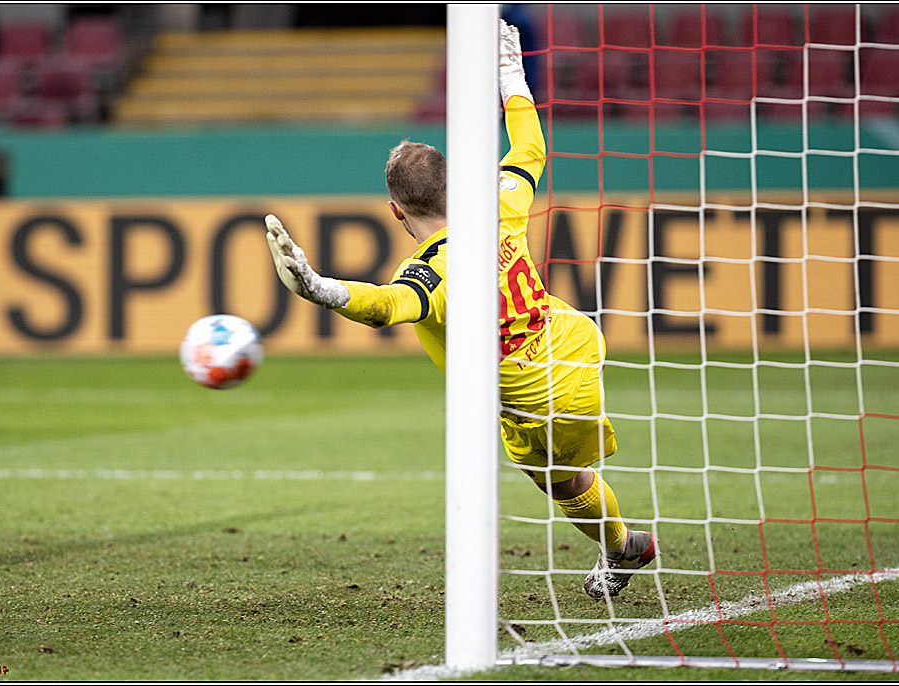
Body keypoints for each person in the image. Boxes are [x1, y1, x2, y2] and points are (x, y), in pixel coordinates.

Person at [263, 19, 656, 599]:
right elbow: (529, 147)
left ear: (396, 211)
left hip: (534, 388)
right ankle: (625, 548)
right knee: (550, 476)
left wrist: (317, 286)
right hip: (568, 341)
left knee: (559, 478)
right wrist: (511, 72)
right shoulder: (500, 201)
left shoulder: (434, 269)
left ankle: (622, 547)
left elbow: (387, 306)